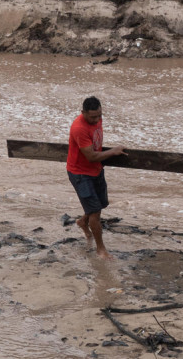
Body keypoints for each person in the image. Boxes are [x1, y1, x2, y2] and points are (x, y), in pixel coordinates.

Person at [67, 96, 125, 258]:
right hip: (80, 173)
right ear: (83, 113)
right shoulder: (79, 128)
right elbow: (91, 156)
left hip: (96, 169)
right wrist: (113, 151)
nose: (97, 119)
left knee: (101, 204)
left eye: (100, 115)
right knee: (95, 212)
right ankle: (101, 249)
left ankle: (82, 221)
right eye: (93, 116)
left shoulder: (96, 119)